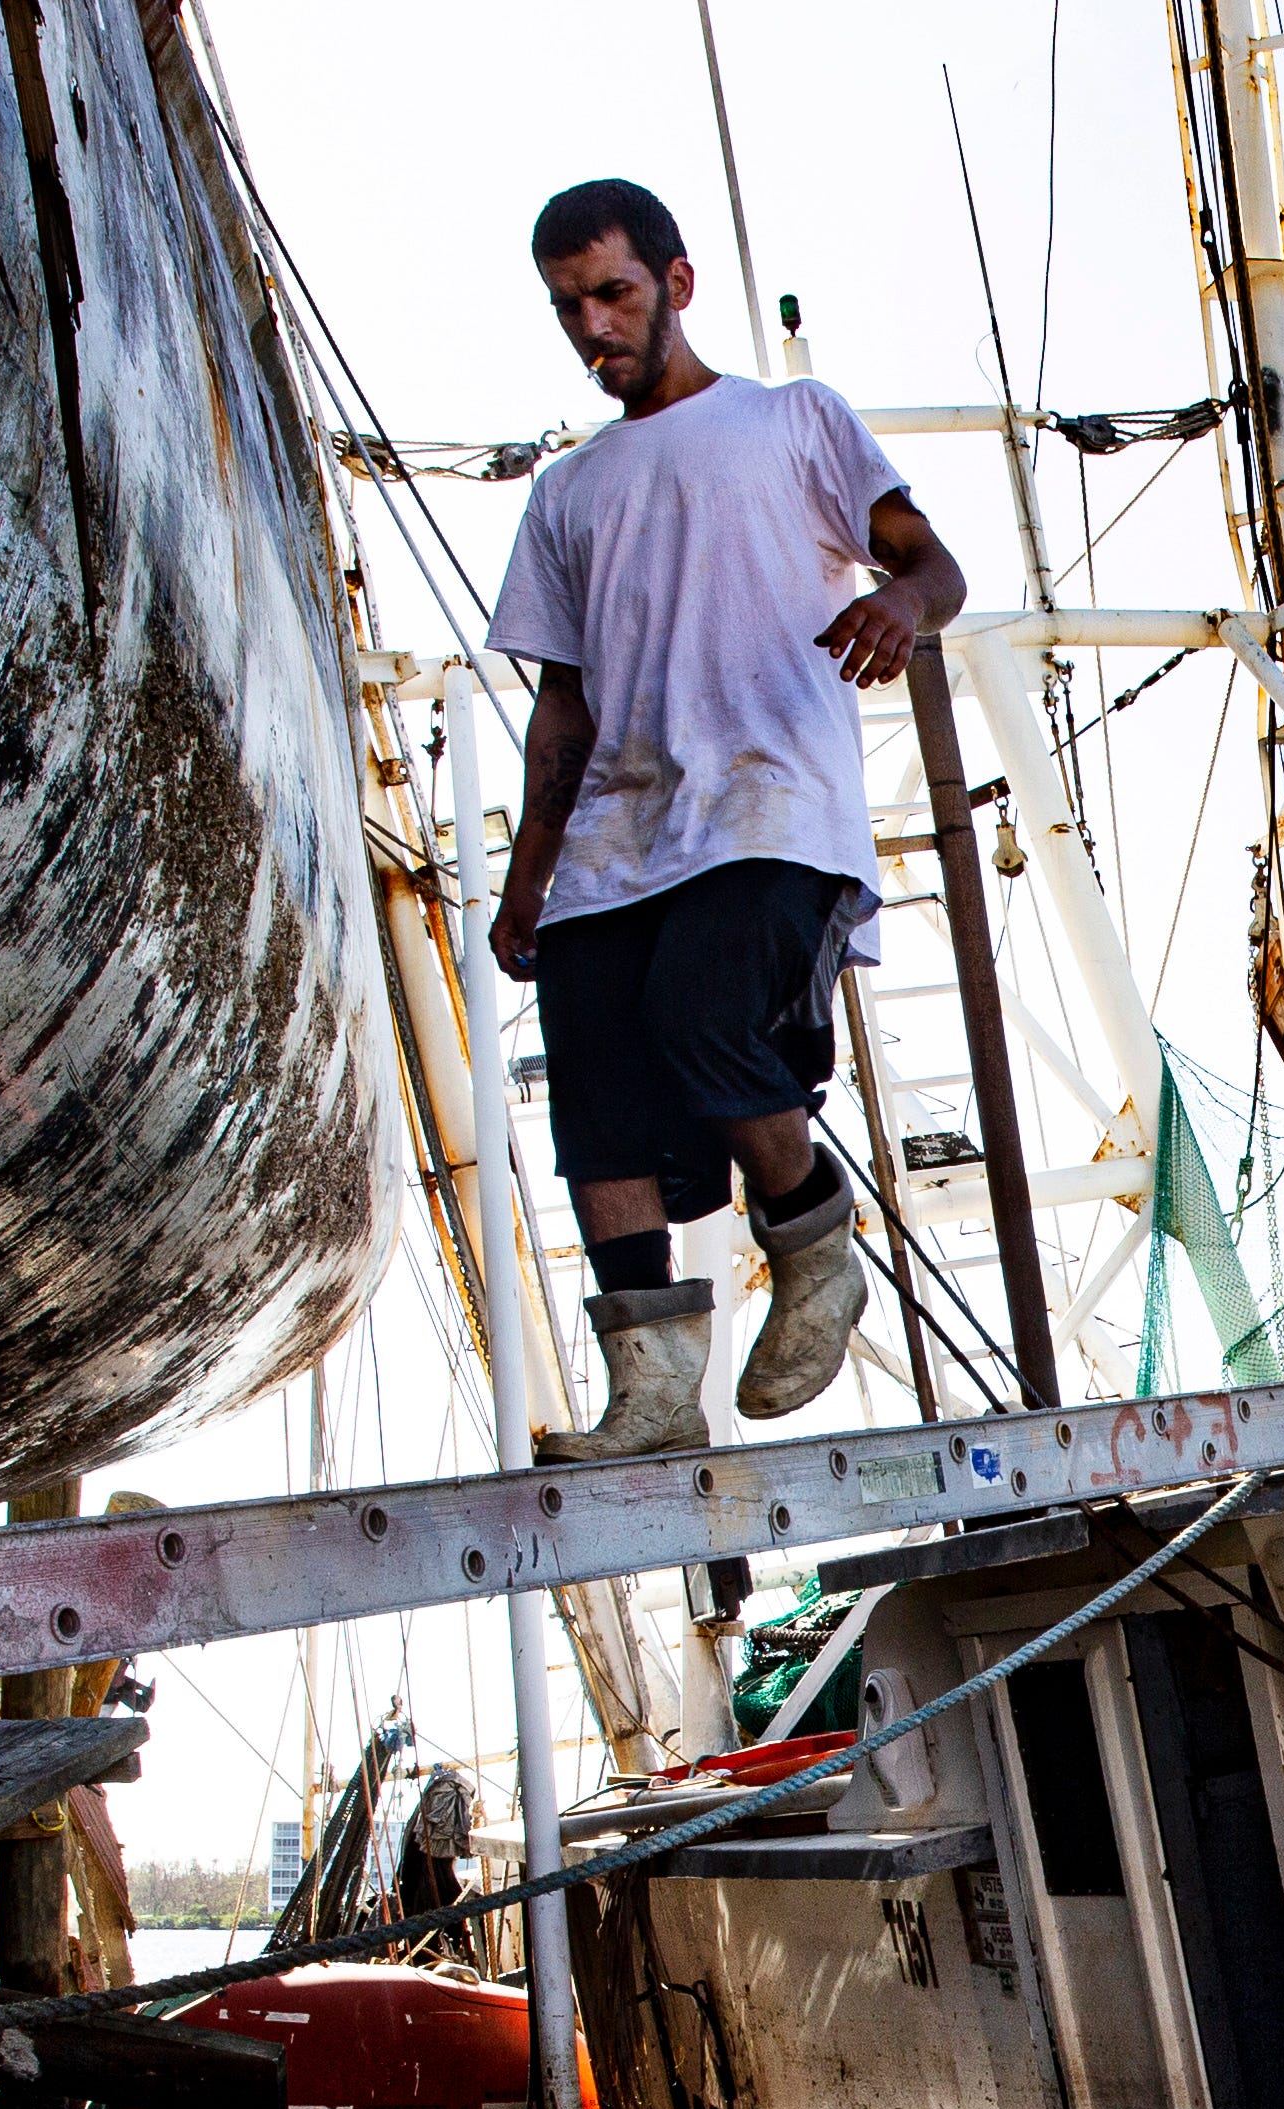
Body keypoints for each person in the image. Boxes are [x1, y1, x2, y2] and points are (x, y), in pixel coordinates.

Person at [486, 177, 965, 1451]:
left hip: (765, 803)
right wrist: (527, 878)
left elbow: (932, 562)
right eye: (569, 306)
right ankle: (649, 1394)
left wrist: (900, 611)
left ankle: (815, 1248)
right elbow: (564, 707)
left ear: (677, 284)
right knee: (591, 1083)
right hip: (614, 836)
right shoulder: (567, 496)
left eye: (614, 293)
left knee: (702, 1013)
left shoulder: (793, 422)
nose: (594, 326)